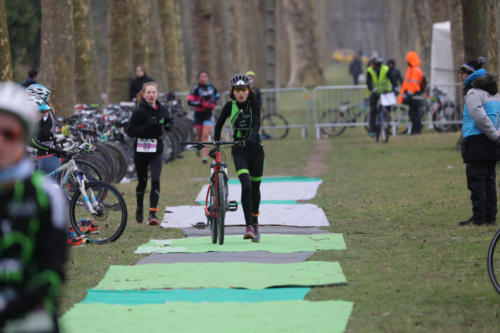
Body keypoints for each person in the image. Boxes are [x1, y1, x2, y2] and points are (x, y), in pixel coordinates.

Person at [0, 82, 67, 332]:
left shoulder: (46, 196)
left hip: (29, 317)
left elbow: (51, 273)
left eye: (10, 134)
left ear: (24, 134)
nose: (1, 142)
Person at [214, 74, 264, 242]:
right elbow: (219, 124)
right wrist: (216, 142)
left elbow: (257, 124)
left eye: (244, 90)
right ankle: (248, 225)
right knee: (246, 185)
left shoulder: (255, 105)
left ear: (249, 90)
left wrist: (251, 136)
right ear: (233, 92)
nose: (241, 93)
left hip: (256, 150)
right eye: (237, 90)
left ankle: (255, 220)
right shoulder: (229, 106)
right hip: (239, 150)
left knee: (256, 189)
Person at [457, 57, 500, 226]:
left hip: (477, 141)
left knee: (476, 180)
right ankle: (490, 216)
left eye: (463, 73)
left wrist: (493, 135)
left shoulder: (474, 93)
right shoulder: (494, 94)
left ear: (471, 75)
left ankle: (479, 217)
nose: (460, 76)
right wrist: (496, 135)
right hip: (492, 141)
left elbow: (479, 117)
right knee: (489, 180)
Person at [126, 82, 173, 225]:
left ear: (157, 94)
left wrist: (169, 124)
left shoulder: (162, 109)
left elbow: (169, 121)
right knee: (142, 182)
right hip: (141, 149)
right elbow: (130, 131)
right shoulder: (138, 112)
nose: (152, 95)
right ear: (144, 95)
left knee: (156, 180)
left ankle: (153, 214)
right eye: (149, 92)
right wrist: (147, 125)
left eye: (154, 92)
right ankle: (140, 207)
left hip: (156, 149)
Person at [187, 71, 220, 163]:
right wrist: (201, 104)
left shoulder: (212, 87)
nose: (203, 78)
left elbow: (217, 97)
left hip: (208, 115)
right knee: (199, 137)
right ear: (199, 78)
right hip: (198, 115)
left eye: (205, 76)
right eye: (201, 77)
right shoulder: (196, 88)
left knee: (205, 135)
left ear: (208, 78)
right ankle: (198, 147)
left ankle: (204, 157)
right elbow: (189, 101)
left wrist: (213, 103)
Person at [398, 51, 425, 134]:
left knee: (415, 114)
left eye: (408, 59)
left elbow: (414, 84)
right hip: (412, 96)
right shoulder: (412, 69)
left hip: (414, 96)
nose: (407, 61)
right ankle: (415, 130)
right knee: (413, 114)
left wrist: (409, 94)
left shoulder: (415, 70)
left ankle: (416, 130)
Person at [366, 56, 394, 136]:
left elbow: (393, 79)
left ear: (377, 65)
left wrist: (394, 89)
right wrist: (372, 90)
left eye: (372, 64)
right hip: (374, 93)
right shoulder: (369, 70)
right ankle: (372, 129)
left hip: (385, 92)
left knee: (388, 108)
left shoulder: (385, 69)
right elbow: (368, 83)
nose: (371, 65)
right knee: (373, 110)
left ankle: (386, 125)